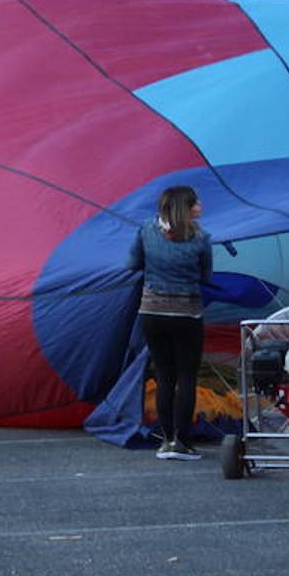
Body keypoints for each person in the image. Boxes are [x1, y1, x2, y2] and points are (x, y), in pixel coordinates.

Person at [126, 185, 212, 461]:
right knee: (186, 377)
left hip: (151, 312)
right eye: (196, 201)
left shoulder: (146, 231)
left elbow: (131, 263)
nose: (200, 204)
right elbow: (206, 276)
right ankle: (183, 443)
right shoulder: (201, 238)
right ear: (184, 208)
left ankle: (166, 441)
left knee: (165, 376)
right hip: (187, 313)